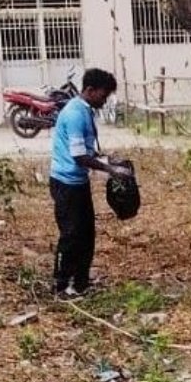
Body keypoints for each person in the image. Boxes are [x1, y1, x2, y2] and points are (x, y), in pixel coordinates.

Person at [49, 68, 122, 297]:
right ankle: (61, 285)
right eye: (103, 95)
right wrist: (110, 170)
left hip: (78, 181)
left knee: (86, 233)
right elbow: (79, 156)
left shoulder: (85, 110)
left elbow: (87, 150)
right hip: (66, 183)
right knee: (71, 234)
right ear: (90, 90)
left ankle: (80, 282)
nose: (105, 100)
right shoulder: (74, 114)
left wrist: (108, 159)